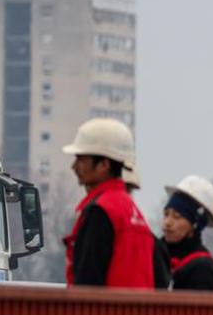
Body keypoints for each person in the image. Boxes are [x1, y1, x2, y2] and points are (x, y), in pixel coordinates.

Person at [60, 118, 162, 288]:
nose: (74, 166)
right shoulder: (133, 212)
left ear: (103, 165)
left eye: (81, 159)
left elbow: (87, 283)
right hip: (135, 313)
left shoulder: (100, 211)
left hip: (102, 314)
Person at [160, 175, 213, 291]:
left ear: (195, 225)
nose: (168, 222)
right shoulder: (155, 254)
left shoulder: (203, 270)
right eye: (166, 214)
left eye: (177, 217)